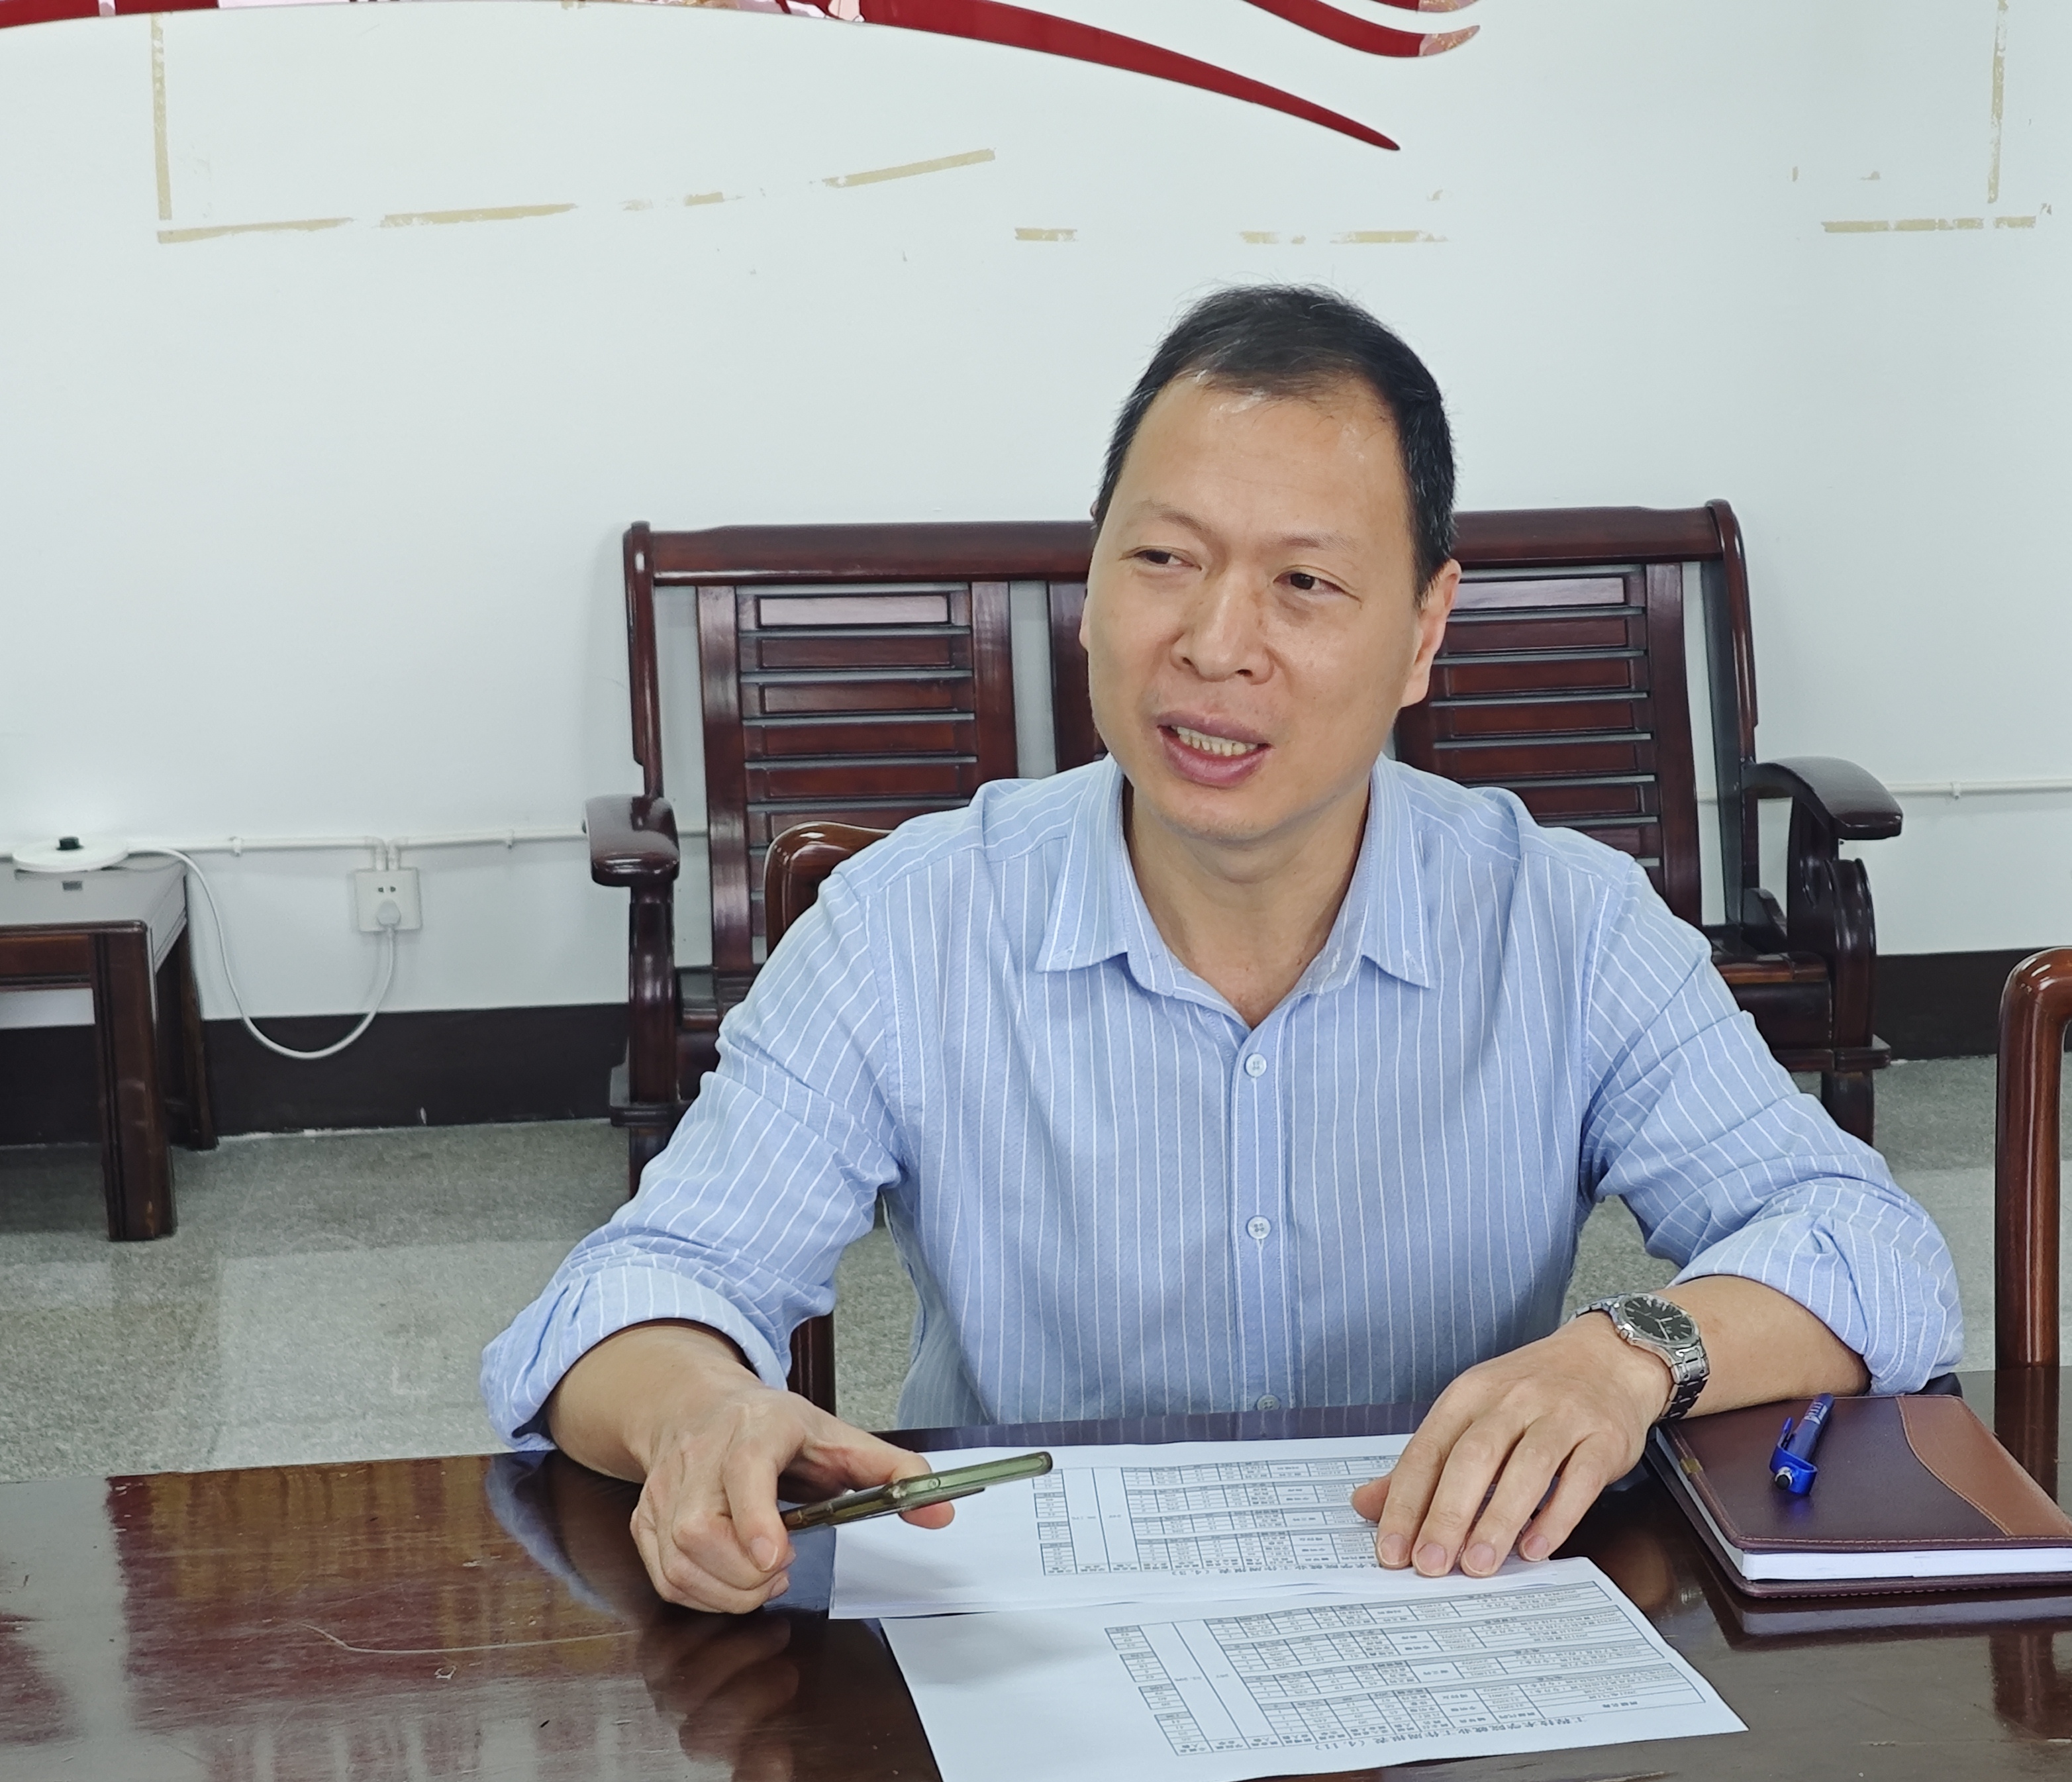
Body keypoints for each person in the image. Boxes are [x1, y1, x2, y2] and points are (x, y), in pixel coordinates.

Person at [483, 284, 1961, 1614]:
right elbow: (628, 1295)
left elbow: (1873, 1252)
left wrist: (1627, 1355)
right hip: (1040, 1653)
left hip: (1440, 1623)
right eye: (1163, 559)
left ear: (1424, 630)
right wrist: (695, 1410)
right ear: (1092, 579)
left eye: (1305, 584)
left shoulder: (1563, 923)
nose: (1213, 643)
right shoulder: (907, 925)